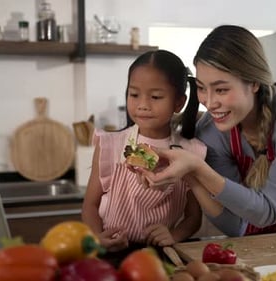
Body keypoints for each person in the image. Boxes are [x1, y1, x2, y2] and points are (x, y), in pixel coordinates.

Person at [140, 25, 276, 237]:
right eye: (201, 88)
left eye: (221, 90)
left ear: (254, 83)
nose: (209, 103)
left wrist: (199, 168)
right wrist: (191, 173)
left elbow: (267, 211)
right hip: (260, 240)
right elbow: (237, 226)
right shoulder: (211, 131)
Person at [81, 49, 206, 264]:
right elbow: (90, 206)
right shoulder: (110, 145)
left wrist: (174, 235)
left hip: (161, 256)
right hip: (112, 254)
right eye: (134, 94)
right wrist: (97, 237)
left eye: (156, 97)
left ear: (179, 103)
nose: (143, 104)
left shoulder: (191, 153)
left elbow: (194, 217)